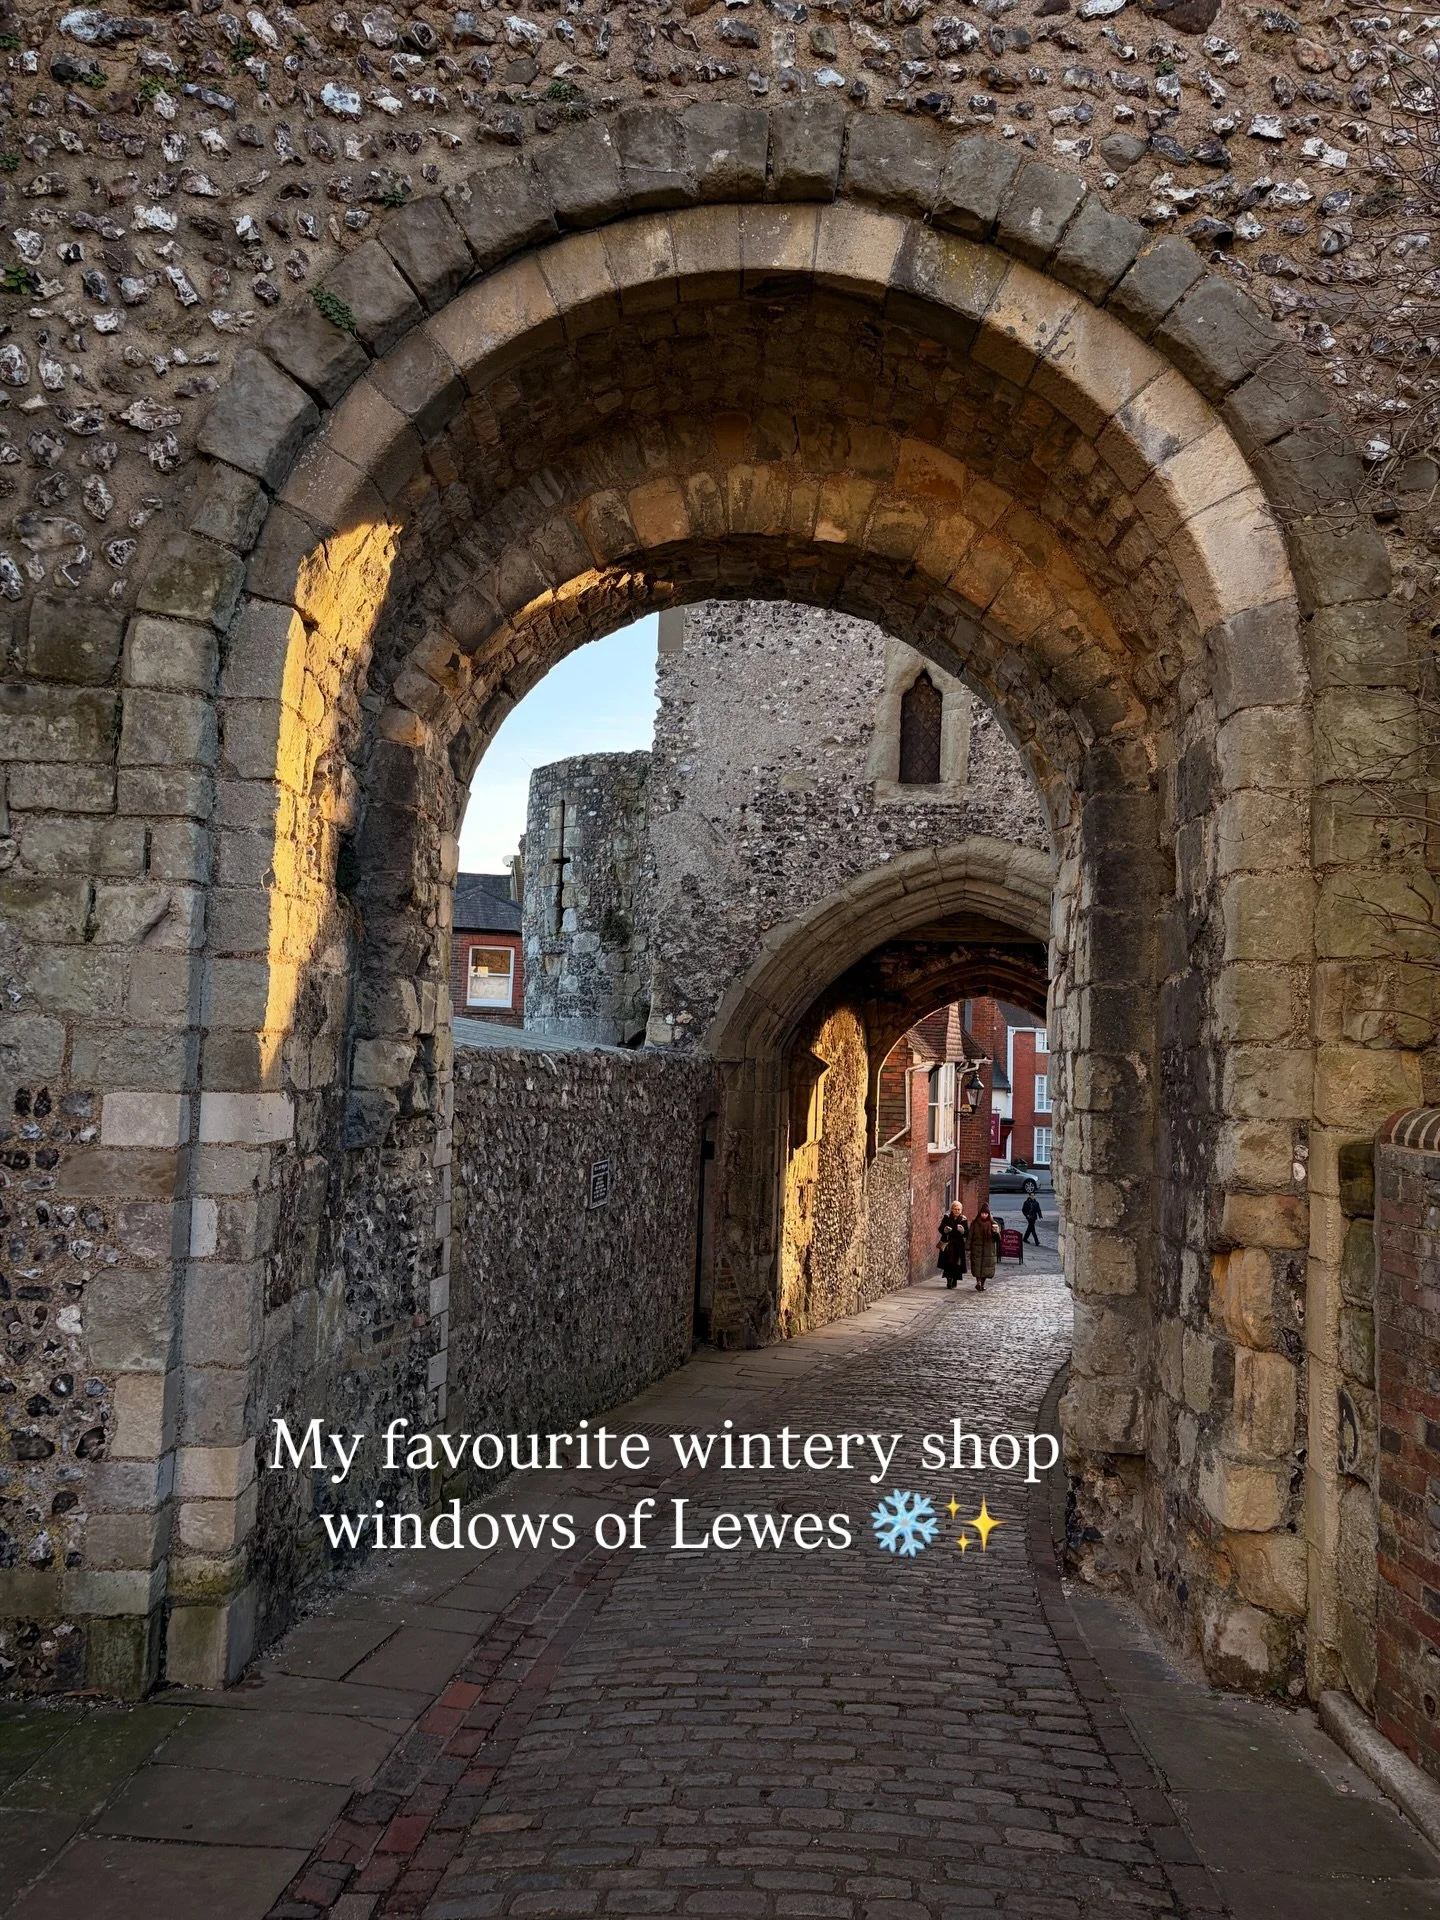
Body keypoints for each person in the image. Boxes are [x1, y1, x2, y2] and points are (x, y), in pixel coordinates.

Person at [937, 1203, 968, 1289]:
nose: (957, 1211)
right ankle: (949, 1280)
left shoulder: (963, 1219)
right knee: (948, 1262)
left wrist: (962, 1231)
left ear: (961, 1210)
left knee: (956, 1263)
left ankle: (954, 1279)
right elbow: (940, 1229)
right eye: (955, 1209)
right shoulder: (947, 1217)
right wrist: (945, 1229)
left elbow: (966, 1233)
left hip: (958, 1245)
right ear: (952, 1209)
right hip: (948, 1243)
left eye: (958, 1209)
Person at [970, 1206, 1001, 1291]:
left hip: (988, 1249)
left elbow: (998, 1239)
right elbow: (970, 1236)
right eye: (982, 1213)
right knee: (977, 1267)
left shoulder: (993, 1223)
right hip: (977, 1248)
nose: (984, 1215)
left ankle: (982, 1284)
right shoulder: (975, 1223)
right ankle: (978, 1282)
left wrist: (996, 1232)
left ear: (988, 1214)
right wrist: (968, 1246)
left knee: (986, 1268)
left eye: (986, 1213)